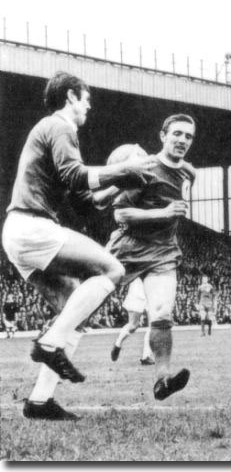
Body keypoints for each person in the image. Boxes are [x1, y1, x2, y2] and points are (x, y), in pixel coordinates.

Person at [1, 71, 157, 420]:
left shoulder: (55, 132)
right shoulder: (60, 126)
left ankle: (40, 401)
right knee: (113, 269)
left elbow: (90, 201)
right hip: (31, 225)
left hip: (21, 232)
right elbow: (75, 174)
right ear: (71, 96)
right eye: (86, 99)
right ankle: (48, 343)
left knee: (77, 314)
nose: (89, 107)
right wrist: (125, 167)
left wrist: (122, 181)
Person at [107, 113, 197, 401]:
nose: (183, 140)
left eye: (188, 136)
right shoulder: (145, 168)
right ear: (162, 136)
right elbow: (120, 213)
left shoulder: (189, 173)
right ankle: (51, 359)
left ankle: (162, 379)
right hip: (129, 249)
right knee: (83, 306)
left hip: (162, 252)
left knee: (161, 313)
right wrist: (163, 213)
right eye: (177, 134)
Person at [110, 278, 155, 365]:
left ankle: (145, 356)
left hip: (142, 288)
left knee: (142, 325)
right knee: (137, 325)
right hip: (143, 289)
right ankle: (118, 343)